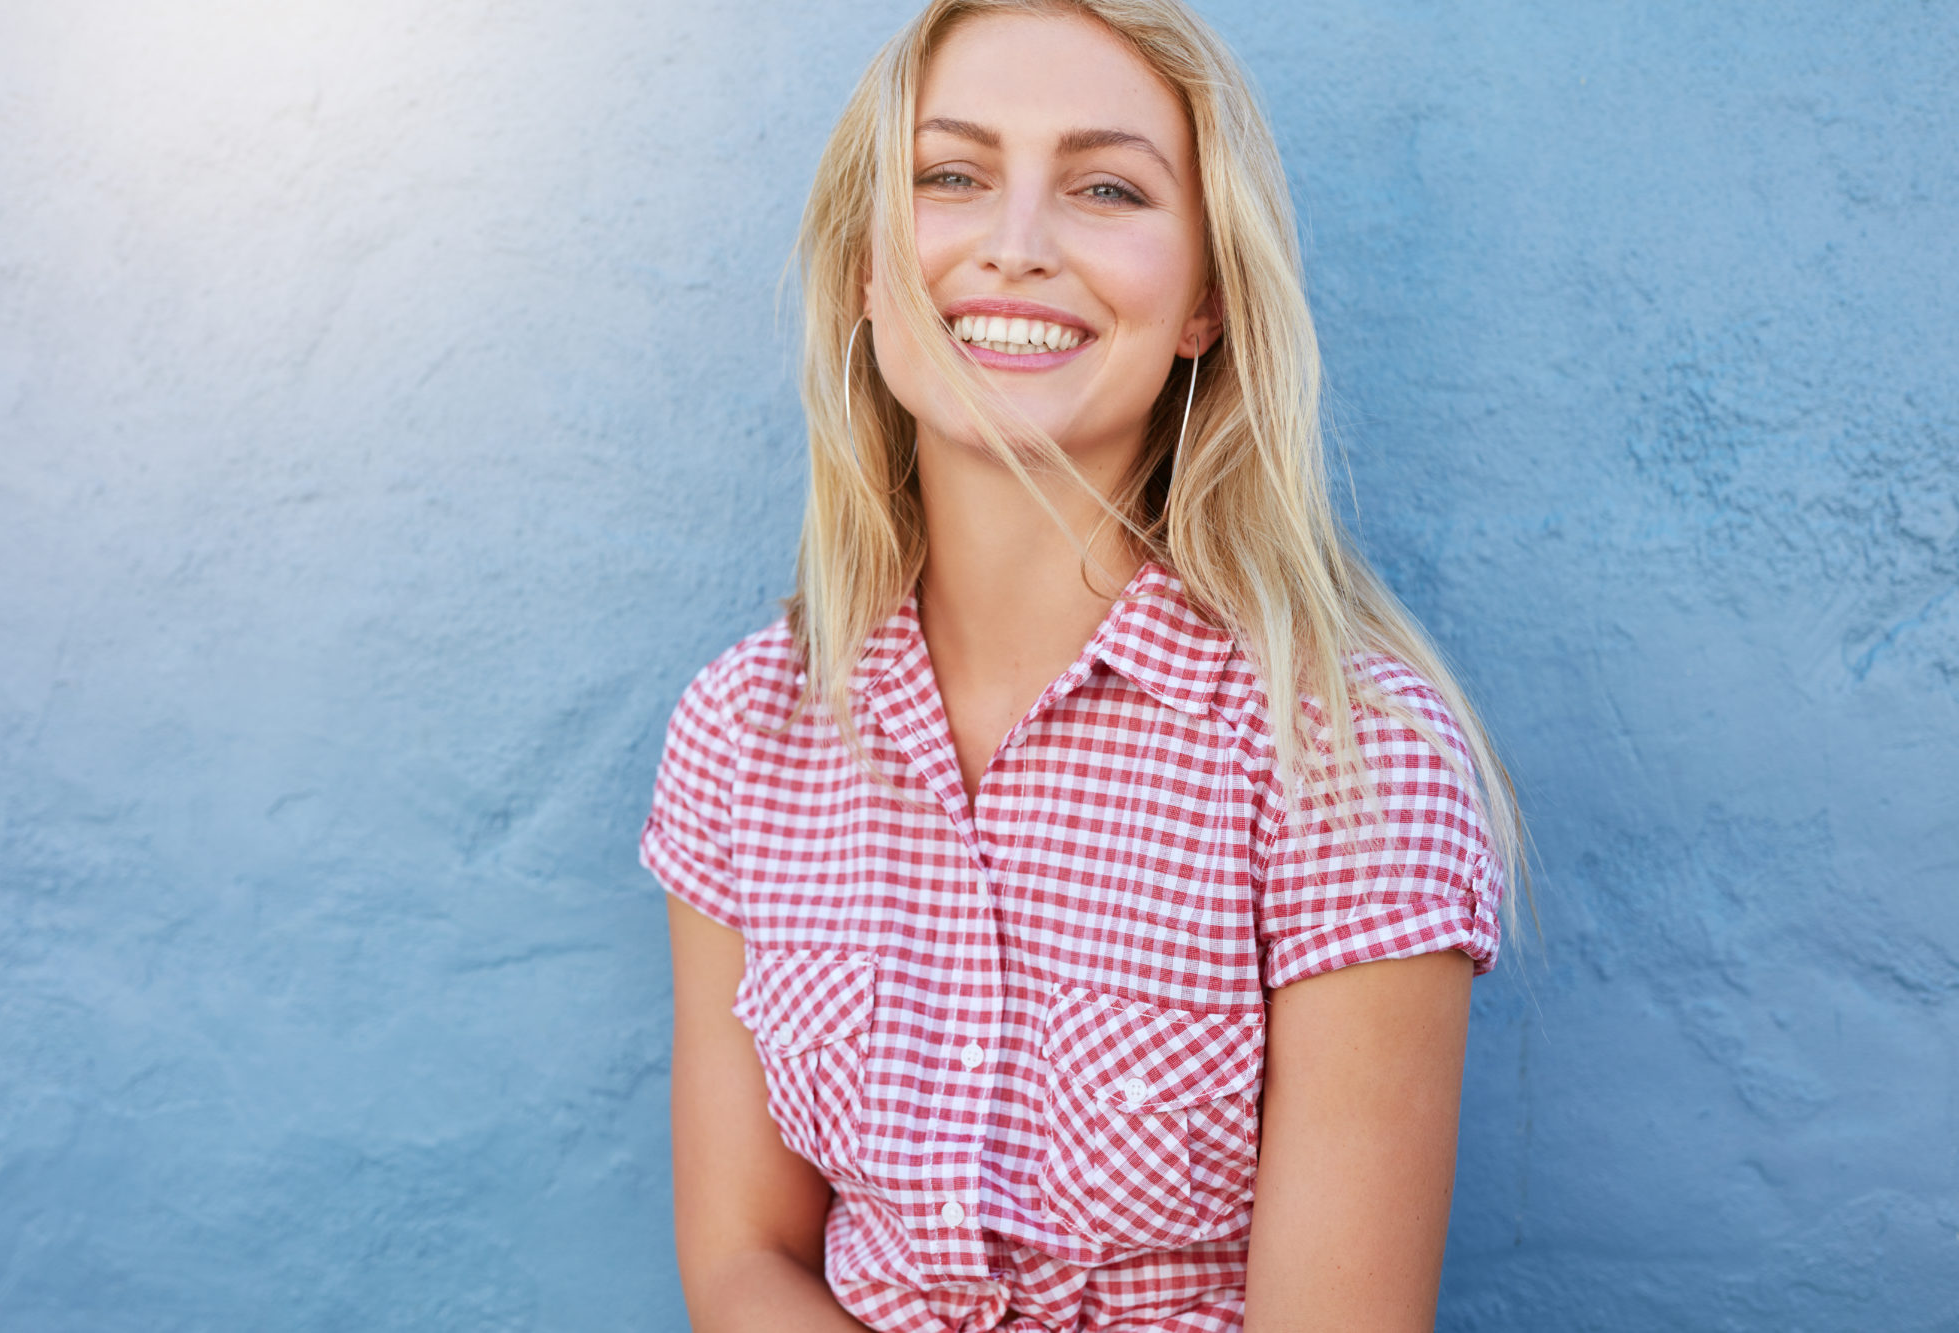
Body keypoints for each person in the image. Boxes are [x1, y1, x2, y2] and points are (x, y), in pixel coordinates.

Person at [641, 1, 1527, 1328]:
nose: (1016, 246)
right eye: (951, 176)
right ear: (872, 268)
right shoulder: (744, 731)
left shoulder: (1350, 762)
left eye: (1106, 187)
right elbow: (743, 1256)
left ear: (1206, 300)